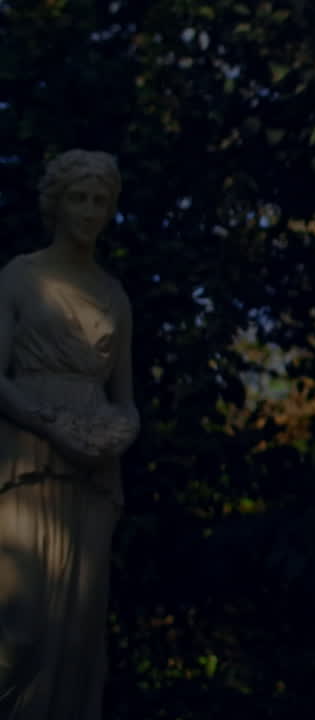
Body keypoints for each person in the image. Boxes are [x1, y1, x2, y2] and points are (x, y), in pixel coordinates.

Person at [0, 149, 139, 719]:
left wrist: (120, 432)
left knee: (77, 635)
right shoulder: (19, 276)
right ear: (56, 204)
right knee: (21, 625)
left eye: (100, 201)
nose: (89, 211)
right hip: (31, 451)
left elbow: (124, 397)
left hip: (94, 463)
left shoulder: (115, 295)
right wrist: (50, 426)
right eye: (78, 198)